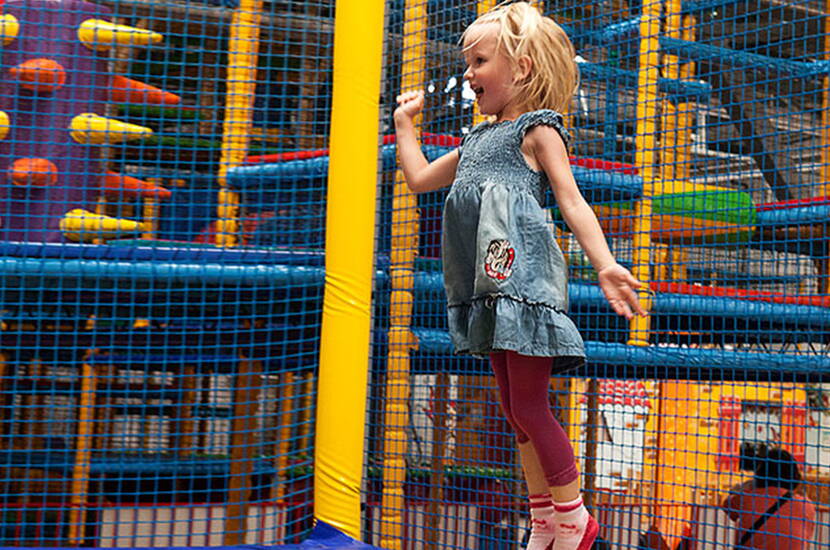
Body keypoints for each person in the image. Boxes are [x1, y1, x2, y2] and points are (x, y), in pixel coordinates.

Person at [393, 3, 646, 549]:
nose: (467, 74)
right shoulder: (476, 141)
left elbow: (572, 201)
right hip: (487, 289)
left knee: (530, 404)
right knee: (512, 407)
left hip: (524, 288)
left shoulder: (537, 131)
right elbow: (416, 178)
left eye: (479, 61)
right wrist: (403, 125)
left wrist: (604, 262)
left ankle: (573, 517)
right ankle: (546, 522)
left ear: (523, 69)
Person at [723, 447, 816, 550]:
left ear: (760, 474)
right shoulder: (807, 506)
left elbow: (727, 505)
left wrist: (746, 487)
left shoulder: (747, 499)